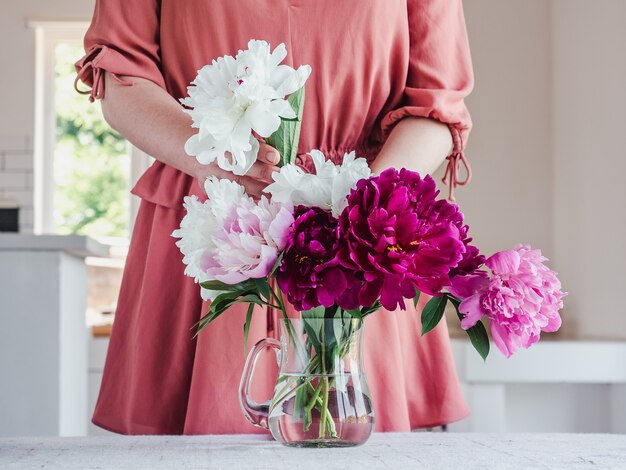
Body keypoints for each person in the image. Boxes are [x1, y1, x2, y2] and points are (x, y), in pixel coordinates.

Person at [75, 0, 475, 434]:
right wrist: (219, 160)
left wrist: (360, 210)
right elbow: (121, 76)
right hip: (212, 213)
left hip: (358, 222)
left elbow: (437, 106)